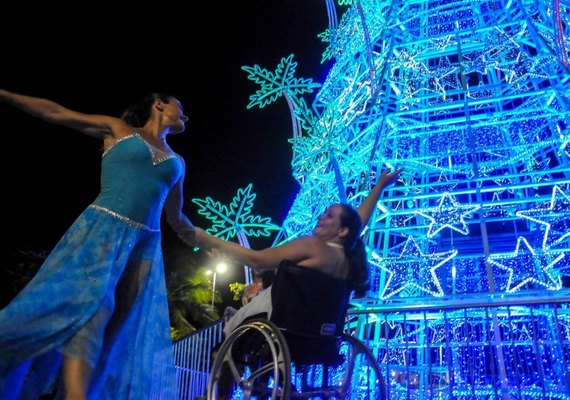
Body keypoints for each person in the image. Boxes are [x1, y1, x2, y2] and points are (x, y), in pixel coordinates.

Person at [0, 89, 197, 399]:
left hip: (144, 249)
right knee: (97, 309)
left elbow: (177, 218)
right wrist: (7, 96)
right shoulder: (119, 130)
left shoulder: (179, 162)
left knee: (115, 335)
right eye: (180, 107)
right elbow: (57, 112)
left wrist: (214, 244)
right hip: (102, 232)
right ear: (159, 104)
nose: (185, 115)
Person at [195, 167, 403, 337]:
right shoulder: (346, 259)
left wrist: (203, 238)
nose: (321, 217)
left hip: (280, 325)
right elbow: (358, 221)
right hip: (318, 333)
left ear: (342, 231)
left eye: (329, 215)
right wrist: (380, 187)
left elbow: (257, 260)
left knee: (226, 343)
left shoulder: (311, 246)